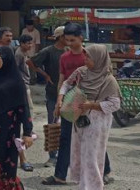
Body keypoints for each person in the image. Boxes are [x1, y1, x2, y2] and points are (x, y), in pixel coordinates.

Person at [44, 22, 113, 186]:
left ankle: (104, 170)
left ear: (81, 38)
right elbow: (63, 79)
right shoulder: (64, 57)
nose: (69, 43)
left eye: (73, 40)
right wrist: (58, 102)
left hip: (89, 103)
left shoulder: (92, 55)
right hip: (71, 101)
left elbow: (105, 76)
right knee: (66, 137)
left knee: (92, 137)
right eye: (67, 40)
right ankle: (60, 175)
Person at [56, 44, 122, 190]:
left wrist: (92, 105)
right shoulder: (81, 72)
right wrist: (60, 98)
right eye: (85, 56)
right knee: (79, 151)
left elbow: (115, 103)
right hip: (79, 116)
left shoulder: (108, 80)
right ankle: (84, 183)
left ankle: (94, 185)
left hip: (98, 120)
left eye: (89, 57)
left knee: (92, 153)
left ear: (99, 59)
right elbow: (67, 83)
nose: (85, 59)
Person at [0, 46, 35, 190]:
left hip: (9, 129)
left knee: (6, 166)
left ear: (6, 59)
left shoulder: (17, 82)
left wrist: (28, 133)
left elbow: (23, 109)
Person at [31, 25, 66, 166]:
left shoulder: (71, 51)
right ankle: (53, 156)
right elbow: (31, 62)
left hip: (70, 94)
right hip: (53, 93)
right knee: (53, 125)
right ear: (60, 37)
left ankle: (68, 156)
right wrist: (45, 75)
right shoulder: (48, 51)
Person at [14, 34, 35, 172]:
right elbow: (15, 72)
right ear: (22, 43)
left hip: (25, 86)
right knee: (26, 117)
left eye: (30, 43)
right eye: (27, 43)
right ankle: (22, 157)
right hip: (21, 88)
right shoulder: (19, 54)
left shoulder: (24, 54)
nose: (30, 45)